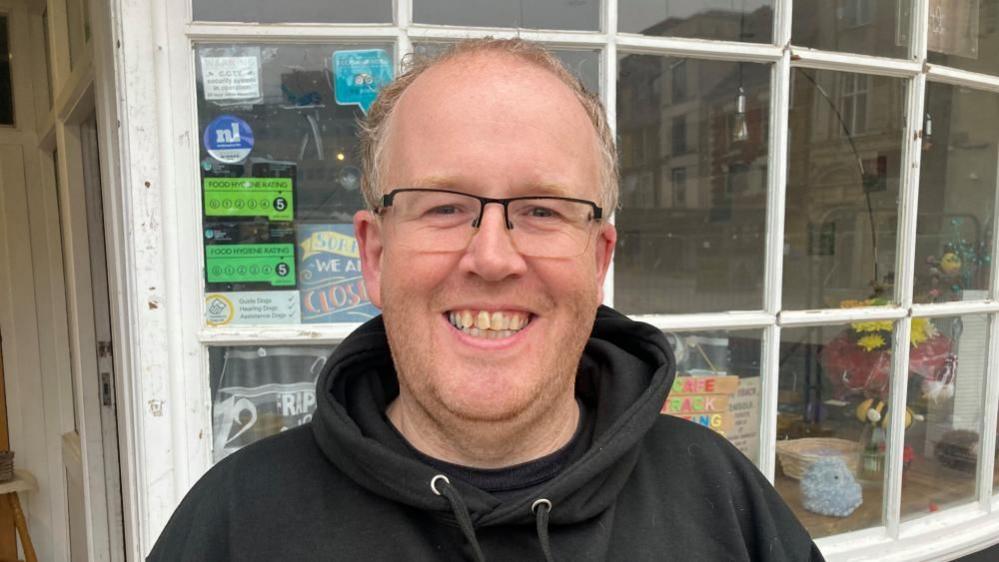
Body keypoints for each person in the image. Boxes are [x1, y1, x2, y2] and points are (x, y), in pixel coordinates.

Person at [149, 39, 822, 561]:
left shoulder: (720, 501)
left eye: (541, 209)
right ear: (374, 255)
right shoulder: (237, 522)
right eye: (444, 206)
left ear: (598, 258)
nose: (493, 257)